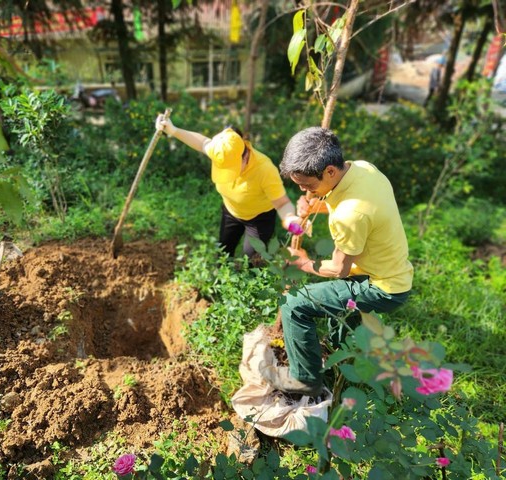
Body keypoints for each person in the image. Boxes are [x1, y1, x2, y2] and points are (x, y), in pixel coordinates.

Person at [277, 127, 413, 396]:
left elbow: (340, 270)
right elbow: (345, 201)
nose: (305, 191)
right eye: (301, 186)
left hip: (381, 287)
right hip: (390, 268)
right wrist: (317, 204)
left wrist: (302, 262)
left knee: (293, 304)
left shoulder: (350, 215)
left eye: (309, 186)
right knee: (338, 306)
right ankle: (341, 354)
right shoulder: (363, 169)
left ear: (329, 171)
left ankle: (306, 382)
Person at [155, 113, 302, 259]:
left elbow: (282, 204)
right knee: (223, 253)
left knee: (252, 261)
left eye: (231, 168)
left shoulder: (265, 169)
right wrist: (173, 130)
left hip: (259, 218)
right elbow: (202, 143)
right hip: (231, 212)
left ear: (245, 156)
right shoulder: (221, 151)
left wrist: (290, 220)